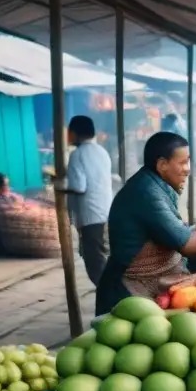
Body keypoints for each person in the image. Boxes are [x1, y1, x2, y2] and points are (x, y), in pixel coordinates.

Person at [95, 132, 196, 314]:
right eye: (182, 162)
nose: (188, 169)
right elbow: (187, 244)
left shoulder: (151, 183)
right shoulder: (147, 193)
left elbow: (169, 230)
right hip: (130, 290)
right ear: (162, 165)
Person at [60, 115, 112, 287]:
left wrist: (60, 187)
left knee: (94, 262)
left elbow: (79, 186)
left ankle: (109, 297)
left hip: (91, 214)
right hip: (105, 210)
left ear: (74, 133)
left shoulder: (78, 154)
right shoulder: (101, 151)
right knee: (100, 255)